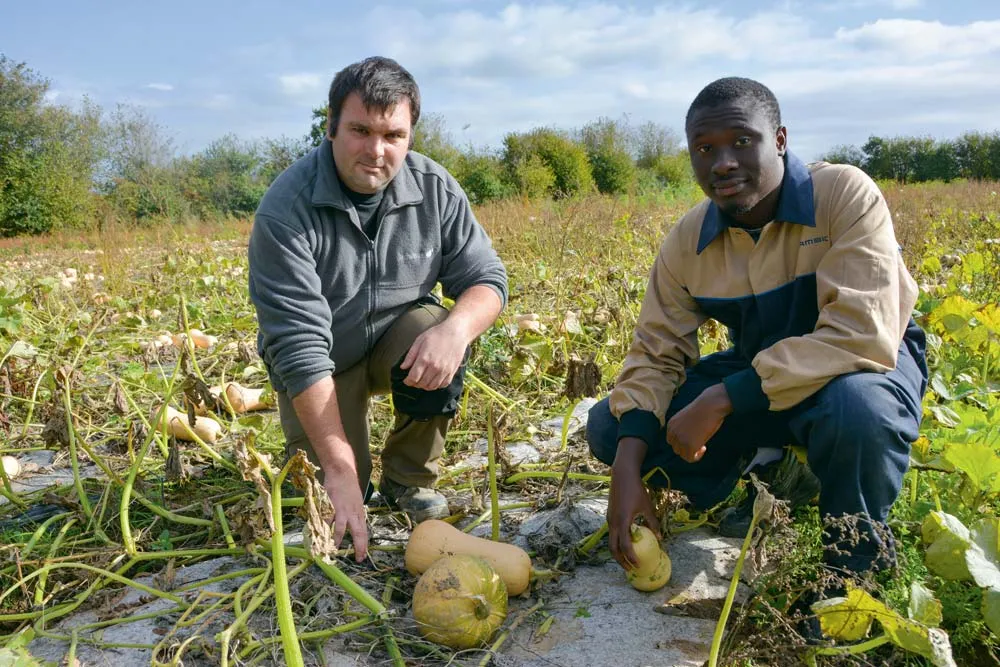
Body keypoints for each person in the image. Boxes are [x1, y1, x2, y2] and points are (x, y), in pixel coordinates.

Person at [586, 77, 928, 585]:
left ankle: (851, 579)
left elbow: (861, 333)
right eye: (705, 149)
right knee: (613, 429)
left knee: (859, 413)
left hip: (859, 369)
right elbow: (656, 354)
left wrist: (724, 398)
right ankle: (766, 480)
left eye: (742, 141)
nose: (722, 162)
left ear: (781, 141)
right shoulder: (688, 240)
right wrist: (625, 470)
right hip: (762, 376)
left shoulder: (841, 195)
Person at [248, 56, 508, 563]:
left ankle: (409, 479)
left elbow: (486, 279)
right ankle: (357, 472)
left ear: (410, 135)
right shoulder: (287, 208)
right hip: (322, 363)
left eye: (393, 134)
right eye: (360, 130)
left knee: (440, 327)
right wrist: (340, 466)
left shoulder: (434, 188)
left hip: (395, 341)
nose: (375, 150)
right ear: (330, 128)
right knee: (338, 489)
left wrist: (456, 331)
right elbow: (299, 347)